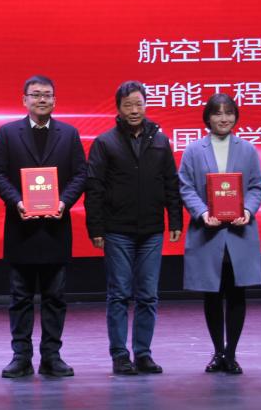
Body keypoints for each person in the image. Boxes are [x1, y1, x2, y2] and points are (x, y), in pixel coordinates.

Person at [0, 75, 87, 378]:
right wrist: (17, 201)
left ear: (54, 100)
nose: (41, 99)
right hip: (22, 228)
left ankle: (52, 356)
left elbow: (80, 174)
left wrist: (64, 202)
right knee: (20, 297)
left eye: (47, 95)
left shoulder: (68, 134)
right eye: (35, 94)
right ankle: (21, 356)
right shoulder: (8, 133)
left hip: (56, 227)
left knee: (55, 297)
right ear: (24, 100)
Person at [85, 81, 183, 375]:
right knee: (119, 294)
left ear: (146, 105)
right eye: (127, 105)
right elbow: (94, 188)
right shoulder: (105, 142)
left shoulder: (160, 140)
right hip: (117, 230)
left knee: (148, 295)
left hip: (152, 230)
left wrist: (175, 219)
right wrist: (96, 228)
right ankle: (119, 355)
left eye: (138, 104)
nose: (134, 110)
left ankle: (143, 353)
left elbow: (171, 183)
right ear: (118, 108)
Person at [178, 94, 261, 375]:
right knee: (212, 294)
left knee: (237, 293)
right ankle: (217, 352)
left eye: (229, 113)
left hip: (240, 232)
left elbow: (256, 187)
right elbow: (186, 187)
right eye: (217, 113)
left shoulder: (247, 149)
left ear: (236, 117)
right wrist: (202, 212)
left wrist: (248, 211)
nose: (223, 118)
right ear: (208, 118)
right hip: (208, 232)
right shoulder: (194, 150)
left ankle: (231, 354)